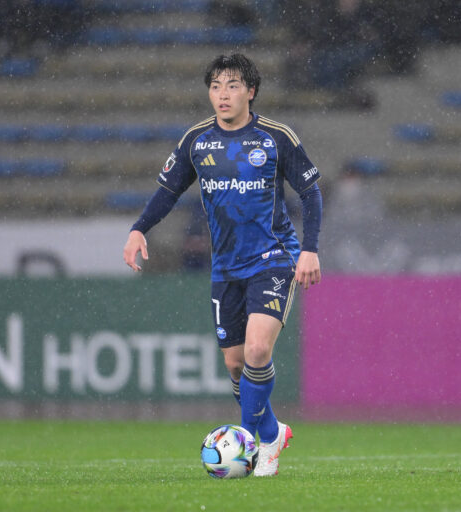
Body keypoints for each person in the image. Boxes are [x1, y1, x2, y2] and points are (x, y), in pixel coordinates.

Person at [123, 53, 323, 477]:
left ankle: (250, 446)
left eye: (232, 86)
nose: (222, 94)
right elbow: (168, 191)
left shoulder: (276, 137)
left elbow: (310, 193)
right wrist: (140, 228)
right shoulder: (197, 140)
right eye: (215, 86)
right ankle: (273, 431)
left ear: (251, 91)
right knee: (235, 365)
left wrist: (310, 249)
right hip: (225, 267)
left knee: (257, 350)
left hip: (273, 258)